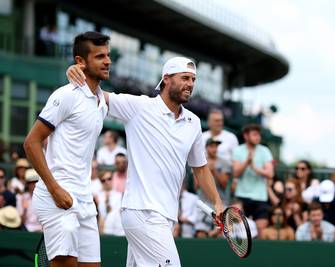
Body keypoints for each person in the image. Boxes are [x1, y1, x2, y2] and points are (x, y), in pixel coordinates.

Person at [67, 56, 224, 267]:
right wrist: (77, 76)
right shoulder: (139, 107)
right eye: (185, 78)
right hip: (142, 212)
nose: (190, 84)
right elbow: (96, 96)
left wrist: (217, 201)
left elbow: (201, 169)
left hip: (166, 216)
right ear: (167, 79)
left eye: (193, 80)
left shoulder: (193, 123)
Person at [24, 31, 111, 267]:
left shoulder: (101, 101)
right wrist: (55, 189)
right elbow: (31, 143)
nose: (107, 61)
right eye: (100, 56)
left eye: (108, 55)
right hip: (57, 198)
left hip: (84, 200)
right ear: (80, 62)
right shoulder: (65, 95)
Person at [232, 123, 274, 238]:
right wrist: (246, 162)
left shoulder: (265, 151)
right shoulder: (238, 151)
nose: (258, 137)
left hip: (260, 197)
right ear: (246, 136)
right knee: (237, 227)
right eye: (254, 134)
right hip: (241, 196)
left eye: (258, 134)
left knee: (261, 229)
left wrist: (254, 167)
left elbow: (270, 173)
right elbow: (235, 173)